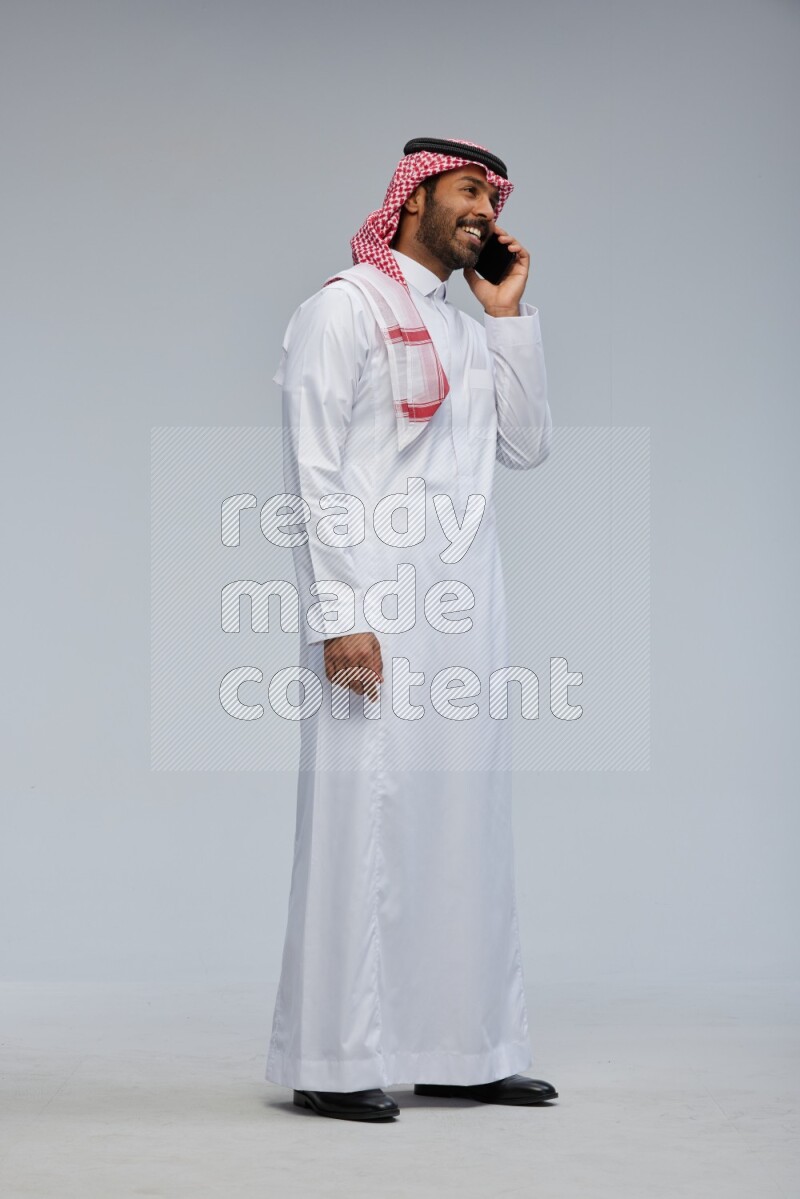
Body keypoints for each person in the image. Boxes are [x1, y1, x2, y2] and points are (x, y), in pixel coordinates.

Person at [265, 137, 556, 1122]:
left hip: (465, 611)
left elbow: (526, 443)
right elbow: (315, 469)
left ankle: (465, 1047)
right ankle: (333, 1059)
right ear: (411, 197)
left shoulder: (470, 332)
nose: (484, 209)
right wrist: (337, 614)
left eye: (493, 196)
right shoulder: (342, 307)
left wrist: (507, 316)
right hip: (375, 607)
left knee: (460, 822)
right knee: (363, 822)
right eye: (468, 191)